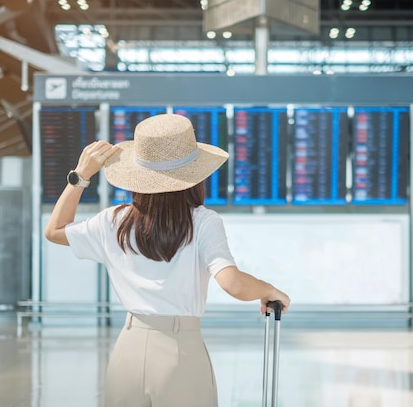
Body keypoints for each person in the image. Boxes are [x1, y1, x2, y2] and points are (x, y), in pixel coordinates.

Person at [44, 113, 290, 407]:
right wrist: (269, 291)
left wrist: (79, 177)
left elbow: (54, 231)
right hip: (180, 352)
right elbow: (232, 283)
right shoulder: (203, 222)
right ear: (194, 175)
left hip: (128, 350)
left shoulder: (114, 220)